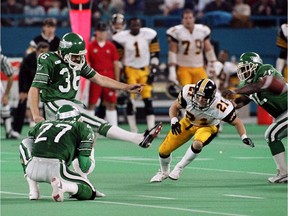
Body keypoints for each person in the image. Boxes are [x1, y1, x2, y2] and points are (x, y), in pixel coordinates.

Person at [28, 32, 162, 152]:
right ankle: (138, 138)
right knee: (95, 123)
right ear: (64, 52)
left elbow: (100, 79)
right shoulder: (48, 59)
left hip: (71, 103)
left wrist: (126, 87)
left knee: (79, 141)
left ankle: (78, 173)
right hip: (55, 103)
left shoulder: (78, 62)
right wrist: (35, 115)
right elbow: (35, 88)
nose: (78, 59)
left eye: (80, 56)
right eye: (75, 56)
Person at [150, 78, 254, 182]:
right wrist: (173, 120)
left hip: (207, 127)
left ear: (212, 98)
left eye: (204, 98)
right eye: (198, 96)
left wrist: (244, 137)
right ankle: (164, 172)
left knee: (198, 144)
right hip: (188, 122)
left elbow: (237, 122)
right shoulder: (188, 92)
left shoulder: (220, 106)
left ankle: (179, 167)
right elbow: (175, 106)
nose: (199, 100)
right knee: (163, 151)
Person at [222, 52, 287, 183]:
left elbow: (259, 85)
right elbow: (245, 99)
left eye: (246, 68)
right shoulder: (248, 84)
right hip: (282, 114)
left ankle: (284, 172)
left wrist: (234, 91)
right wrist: (232, 105)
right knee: (272, 135)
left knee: (272, 134)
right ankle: (283, 172)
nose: (244, 72)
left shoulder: (265, 70)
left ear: (255, 65)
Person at [19, 104, 104, 201]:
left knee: (25, 143)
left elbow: (30, 140)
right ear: (78, 118)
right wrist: (91, 149)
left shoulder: (44, 123)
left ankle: (33, 190)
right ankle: (63, 186)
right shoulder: (82, 127)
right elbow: (85, 167)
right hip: (56, 169)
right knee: (90, 191)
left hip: (32, 169)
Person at [112, 17, 160, 132]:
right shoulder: (121, 38)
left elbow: (155, 54)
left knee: (147, 100)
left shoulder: (149, 34)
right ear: (129, 27)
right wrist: (122, 73)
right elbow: (119, 57)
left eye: (137, 25)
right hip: (130, 70)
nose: (135, 27)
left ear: (140, 25)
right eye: (133, 25)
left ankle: (151, 128)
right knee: (130, 100)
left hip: (144, 69)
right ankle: (133, 129)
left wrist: (153, 70)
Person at [166, 9, 217, 87]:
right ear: (182, 20)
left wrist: (212, 63)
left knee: (203, 91)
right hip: (183, 68)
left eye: (190, 18)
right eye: (186, 18)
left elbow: (208, 48)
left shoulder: (202, 30)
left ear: (194, 19)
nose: (188, 20)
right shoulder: (176, 31)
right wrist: (172, 70)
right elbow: (172, 51)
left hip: (199, 67)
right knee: (187, 92)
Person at [12, 42, 50, 136]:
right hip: (28, 84)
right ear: (36, 50)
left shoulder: (50, 59)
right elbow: (22, 75)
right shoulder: (28, 58)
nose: (43, 54)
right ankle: (16, 130)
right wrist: (23, 90)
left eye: (45, 52)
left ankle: (48, 130)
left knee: (48, 106)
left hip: (44, 84)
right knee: (22, 103)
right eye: (41, 51)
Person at [87, 22, 120, 126]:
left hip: (109, 76)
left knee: (111, 102)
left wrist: (117, 80)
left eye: (104, 31)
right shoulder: (90, 46)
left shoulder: (111, 46)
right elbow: (87, 63)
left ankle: (114, 127)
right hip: (95, 76)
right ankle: (89, 126)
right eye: (100, 31)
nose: (102, 34)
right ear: (96, 32)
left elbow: (116, 63)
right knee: (92, 102)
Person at [0, 52, 19, 139]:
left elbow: (10, 76)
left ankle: (9, 131)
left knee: (4, 106)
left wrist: (6, 94)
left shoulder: (2, 59)